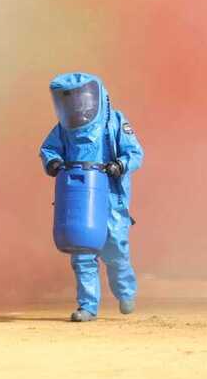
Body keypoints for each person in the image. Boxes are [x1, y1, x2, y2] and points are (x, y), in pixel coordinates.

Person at [39, 72, 144, 322]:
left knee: (115, 248)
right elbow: (48, 149)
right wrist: (53, 163)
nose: (78, 106)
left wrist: (120, 164)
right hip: (78, 195)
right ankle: (87, 306)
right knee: (82, 248)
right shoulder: (64, 129)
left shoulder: (115, 122)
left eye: (82, 99)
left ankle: (125, 291)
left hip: (110, 196)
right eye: (70, 101)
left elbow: (136, 152)